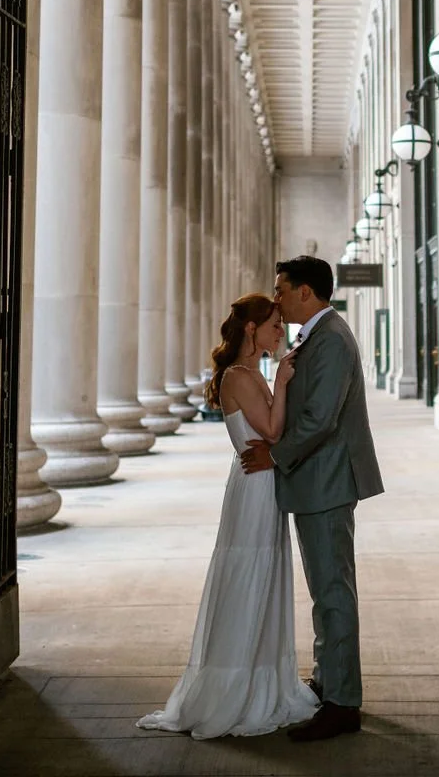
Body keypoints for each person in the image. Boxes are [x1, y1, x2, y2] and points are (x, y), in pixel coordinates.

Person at [136, 294, 319, 740]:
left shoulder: (251, 373)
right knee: (248, 576)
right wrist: (285, 382)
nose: (282, 330)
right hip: (254, 487)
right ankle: (236, 688)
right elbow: (273, 431)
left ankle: (260, 679)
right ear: (251, 329)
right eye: (274, 324)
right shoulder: (240, 376)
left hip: (260, 483)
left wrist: (277, 383)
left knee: (264, 574)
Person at [241, 255, 384, 742]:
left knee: (333, 592)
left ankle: (343, 703)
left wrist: (275, 456)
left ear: (306, 292)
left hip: (327, 482)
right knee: (326, 592)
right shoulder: (317, 336)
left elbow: (320, 418)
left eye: (281, 289)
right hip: (317, 482)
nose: (275, 297)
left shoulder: (332, 341)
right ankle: (329, 681)